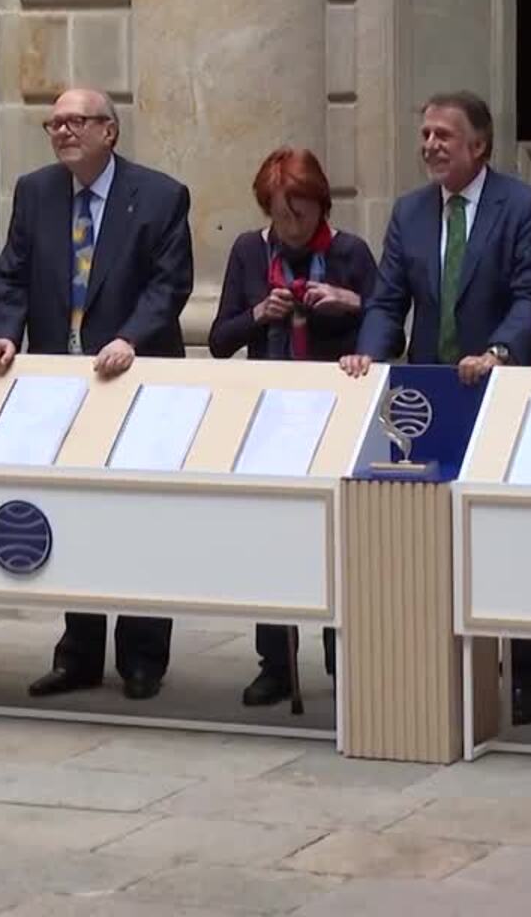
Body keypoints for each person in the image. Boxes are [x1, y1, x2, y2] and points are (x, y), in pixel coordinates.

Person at [339, 90, 531, 725]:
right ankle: (433, 665)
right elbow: (387, 301)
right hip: (428, 397)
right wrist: (368, 356)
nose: (430, 145)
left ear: (478, 146)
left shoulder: (523, 206)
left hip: (498, 391)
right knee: (426, 537)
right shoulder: (410, 212)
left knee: (505, 539)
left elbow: (530, 298)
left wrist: (498, 351)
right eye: (425, 134)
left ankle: (520, 671)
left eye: (443, 135)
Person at [0, 87, 195, 702]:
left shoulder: (159, 196)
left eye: (76, 121)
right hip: (60, 383)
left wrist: (130, 338)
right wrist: (4, 332)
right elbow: (12, 275)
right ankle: (78, 653)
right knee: (71, 513)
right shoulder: (35, 192)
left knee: (138, 518)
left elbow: (169, 286)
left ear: (110, 131)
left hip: (134, 380)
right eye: (54, 123)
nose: (63, 131)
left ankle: (143, 656)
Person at [209, 147, 377, 707]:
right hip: (270, 412)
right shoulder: (249, 251)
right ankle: (275, 664)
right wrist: (260, 313)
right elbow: (219, 340)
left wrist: (351, 302)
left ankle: (342, 658)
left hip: (334, 412)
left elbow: (389, 327)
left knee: (339, 541)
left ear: (321, 205)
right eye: (281, 215)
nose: (293, 227)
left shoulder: (350, 252)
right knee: (272, 540)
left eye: (301, 213)